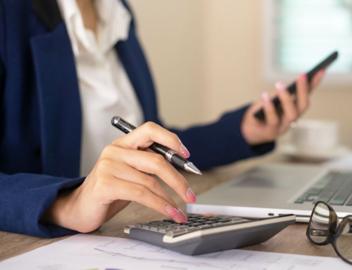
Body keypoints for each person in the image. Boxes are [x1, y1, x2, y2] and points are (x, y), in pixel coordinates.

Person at [0, 0, 324, 237]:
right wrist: (66, 204)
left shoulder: (118, 13)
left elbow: (154, 147)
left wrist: (245, 131)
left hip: (128, 229)